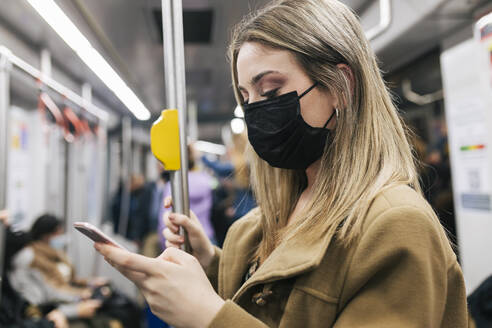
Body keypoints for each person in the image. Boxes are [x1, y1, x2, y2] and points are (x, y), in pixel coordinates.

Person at [95, 0, 468, 327]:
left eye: (271, 90)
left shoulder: (395, 226)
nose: (257, 110)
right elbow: (282, 301)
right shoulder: (264, 222)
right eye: (247, 97)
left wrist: (209, 316)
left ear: (341, 85)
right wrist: (211, 265)